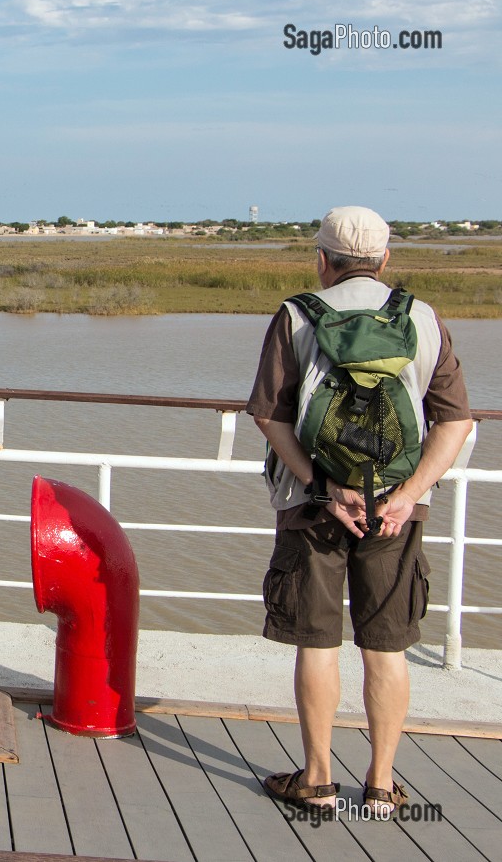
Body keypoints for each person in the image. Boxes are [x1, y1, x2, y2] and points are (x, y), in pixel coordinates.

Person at [248, 206, 473, 820]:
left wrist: (321, 485)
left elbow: (269, 415)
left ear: (321, 259)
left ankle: (317, 780)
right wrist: (408, 492)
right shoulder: (422, 318)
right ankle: (380, 786)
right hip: (397, 510)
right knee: (387, 646)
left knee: (317, 643)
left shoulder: (296, 316)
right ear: (385, 259)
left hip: (313, 506)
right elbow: (456, 419)